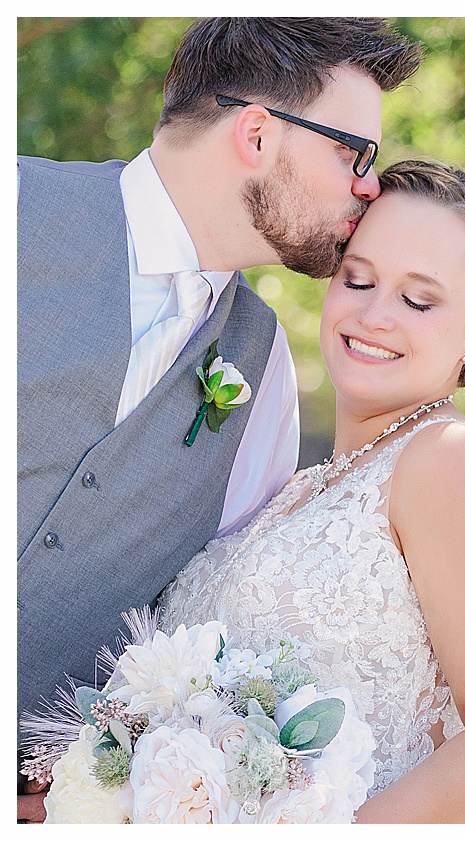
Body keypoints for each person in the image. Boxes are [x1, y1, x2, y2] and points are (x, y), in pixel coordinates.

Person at [16, 18, 420, 821]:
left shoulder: (262, 367)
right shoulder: (14, 207)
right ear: (259, 134)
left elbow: (195, 621)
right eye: (353, 154)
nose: (369, 185)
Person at [154, 159, 465, 821]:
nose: (373, 314)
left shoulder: (448, 459)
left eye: (418, 299)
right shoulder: (294, 488)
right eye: (358, 278)